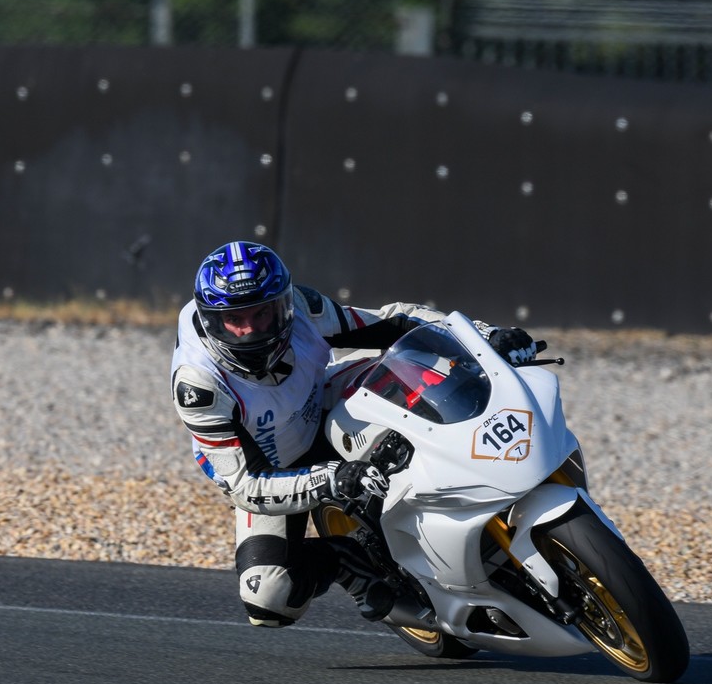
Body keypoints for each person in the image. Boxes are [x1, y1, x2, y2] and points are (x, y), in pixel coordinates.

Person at [170, 240, 538, 628]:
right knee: (268, 600)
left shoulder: (303, 308)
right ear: (212, 322)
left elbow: (392, 322)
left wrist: (484, 336)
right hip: (273, 468)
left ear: (283, 303)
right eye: (236, 320)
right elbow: (245, 485)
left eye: (262, 314)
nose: (250, 331)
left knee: (426, 369)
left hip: (324, 400)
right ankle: (347, 560)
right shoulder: (199, 387)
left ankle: (490, 473)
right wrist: (330, 478)